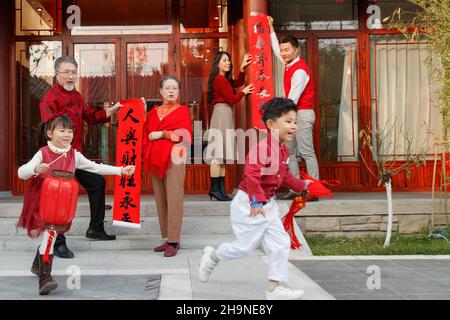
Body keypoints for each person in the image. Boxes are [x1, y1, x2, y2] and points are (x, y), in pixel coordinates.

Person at [198, 97, 312, 300]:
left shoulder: (283, 149)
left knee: (280, 243)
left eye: (295, 121)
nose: (293, 126)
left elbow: (284, 176)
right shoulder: (263, 148)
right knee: (244, 247)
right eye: (288, 121)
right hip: (249, 204)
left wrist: (302, 186)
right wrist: (256, 202)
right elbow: (251, 176)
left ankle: (273, 289)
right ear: (270, 124)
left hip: (267, 205)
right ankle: (212, 256)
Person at [17, 115, 135, 295]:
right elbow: (21, 173)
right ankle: (45, 278)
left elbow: (95, 167)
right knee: (50, 234)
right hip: (42, 200)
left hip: (62, 203)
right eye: (62, 130)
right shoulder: (42, 153)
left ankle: (37, 266)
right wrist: (35, 168)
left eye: (70, 131)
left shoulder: (74, 154)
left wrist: (120, 170)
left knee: (51, 235)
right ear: (50, 133)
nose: (67, 134)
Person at [39, 56, 122, 259]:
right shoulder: (49, 98)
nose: (71, 76)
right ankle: (58, 242)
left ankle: (95, 228)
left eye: (74, 72)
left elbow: (91, 117)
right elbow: (48, 128)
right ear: (57, 74)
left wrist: (109, 111)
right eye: (66, 72)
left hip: (76, 155)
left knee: (97, 183)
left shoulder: (77, 96)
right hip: (58, 157)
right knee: (61, 197)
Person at [268, 16, 319, 201]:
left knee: (307, 152)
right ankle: (297, 188)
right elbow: (275, 49)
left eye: (287, 50)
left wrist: (277, 117)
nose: (283, 53)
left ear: (296, 50)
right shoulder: (289, 64)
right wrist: (271, 28)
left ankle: (313, 190)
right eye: (283, 50)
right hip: (293, 115)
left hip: (302, 114)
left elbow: (292, 99)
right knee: (288, 152)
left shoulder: (299, 70)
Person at [142, 76, 192, 257]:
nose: (171, 91)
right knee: (161, 198)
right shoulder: (153, 112)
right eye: (168, 88)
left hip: (174, 159)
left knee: (174, 197)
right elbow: (146, 134)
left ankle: (174, 240)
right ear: (161, 91)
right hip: (156, 160)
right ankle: (167, 237)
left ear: (178, 92)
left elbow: (183, 135)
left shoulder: (183, 111)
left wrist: (162, 133)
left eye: (175, 88)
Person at [206, 51, 254, 201]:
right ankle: (215, 189)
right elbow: (233, 99)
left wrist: (241, 68)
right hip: (221, 113)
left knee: (222, 155)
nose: (228, 63)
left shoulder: (223, 79)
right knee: (217, 155)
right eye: (224, 60)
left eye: (229, 60)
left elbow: (237, 83)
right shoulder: (219, 79)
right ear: (217, 64)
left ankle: (219, 190)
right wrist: (244, 93)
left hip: (224, 113)